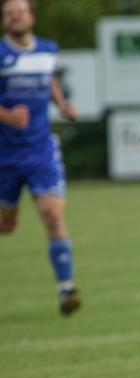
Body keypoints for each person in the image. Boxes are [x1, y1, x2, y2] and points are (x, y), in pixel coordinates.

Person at [0, 0, 79, 315]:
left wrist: (61, 105)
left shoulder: (47, 49)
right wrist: (6, 116)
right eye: (9, 13)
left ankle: (67, 290)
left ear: (31, 17)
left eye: (20, 11)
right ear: (4, 20)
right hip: (5, 154)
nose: (15, 16)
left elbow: (50, 80)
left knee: (53, 215)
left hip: (40, 151)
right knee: (6, 225)